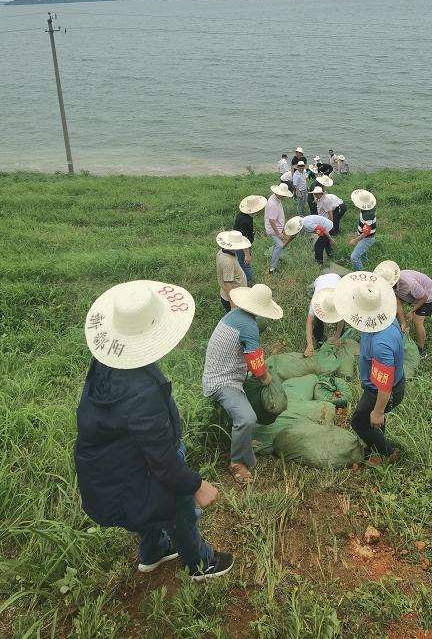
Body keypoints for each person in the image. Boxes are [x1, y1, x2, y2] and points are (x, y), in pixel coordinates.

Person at [74, 280, 233, 581]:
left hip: (117, 464)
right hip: (142, 464)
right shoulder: (141, 392)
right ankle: (201, 564)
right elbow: (162, 461)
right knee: (181, 511)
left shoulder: (106, 361)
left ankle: (154, 550)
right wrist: (196, 485)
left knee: (146, 504)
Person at [202, 284, 283, 484]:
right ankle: (237, 462)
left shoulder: (235, 314)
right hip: (222, 381)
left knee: (251, 402)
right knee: (247, 418)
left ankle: (243, 442)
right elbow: (255, 362)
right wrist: (265, 378)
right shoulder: (248, 326)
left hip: (231, 374)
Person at [333, 271, 404, 464]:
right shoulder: (383, 319)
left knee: (359, 422)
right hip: (381, 386)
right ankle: (378, 436)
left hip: (381, 391)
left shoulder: (381, 344)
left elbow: (385, 385)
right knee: (370, 418)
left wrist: (378, 410)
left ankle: (388, 453)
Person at [375, 262, 432, 354]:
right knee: (395, 312)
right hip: (412, 295)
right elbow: (398, 304)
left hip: (427, 294)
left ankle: (421, 349)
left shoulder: (410, 284)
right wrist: (403, 322)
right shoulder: (391, 286)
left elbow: (424, 298)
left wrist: (412, 311)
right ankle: (399, 334)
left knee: (417, 321)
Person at [304, 272, 345, 356]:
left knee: (340, 319)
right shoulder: (315, 303)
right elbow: (309, 323)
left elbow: (342, 320)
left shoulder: (341, 300)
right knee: (318, 318)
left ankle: (339, 337)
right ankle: (319, 338)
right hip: (320, 279)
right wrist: (310, 344)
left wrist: (337, 337)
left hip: (336, 278)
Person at [234, 195, 267, 286]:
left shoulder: (245, 215)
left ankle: (242, 281)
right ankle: (248, 284)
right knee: (246, 265)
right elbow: (243, 239)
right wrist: (247, 254)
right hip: (241, 246)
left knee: (242, 264)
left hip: (241, 245)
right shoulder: (245, 221)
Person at [215, 230, 250, 312]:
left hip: (234, 295)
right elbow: (227, 284)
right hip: (233, 299)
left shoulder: (222, 252)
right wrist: (233, 304)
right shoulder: (228, 262)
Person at [264, 182, 293, 274]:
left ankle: (275, 261)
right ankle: (272, 269)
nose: (284, 197)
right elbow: (271, 220)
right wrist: (278, 233)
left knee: (279, 245)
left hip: (277, 227)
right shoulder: (273, 204)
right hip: (273, 229)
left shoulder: (275, 198)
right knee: (279, 245)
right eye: (283, 195)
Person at [349, 189, 377, 271]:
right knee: (363, 252)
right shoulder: (365, 210)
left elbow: (366, 232)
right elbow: (364, 227)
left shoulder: (367, 215)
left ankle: (361, 273)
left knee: (354, 257)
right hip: (365, 237)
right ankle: (365, 263)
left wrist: (355, 240)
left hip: (367, 238)